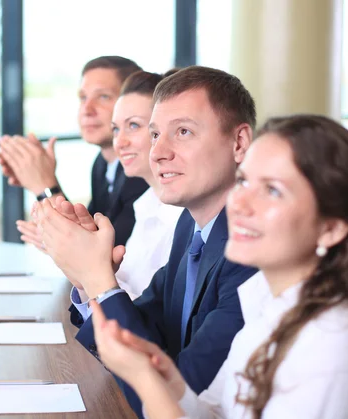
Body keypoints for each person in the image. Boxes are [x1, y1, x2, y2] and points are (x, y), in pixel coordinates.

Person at [90, 115, 348, 419]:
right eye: (244, 181)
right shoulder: (264, 294)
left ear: (331, 228)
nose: (239, 202)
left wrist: (144, 380)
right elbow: (218, 411)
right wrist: (168, 382)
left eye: (272, 190)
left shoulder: (333, 339)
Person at [36, 66, 259, 416]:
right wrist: (86, 279)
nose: (158, 153)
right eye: (155, 134)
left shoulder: (252, 252)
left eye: (183, 131)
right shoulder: (191, 224)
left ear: (239, 142)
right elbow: (150, 329)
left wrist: (100, 282)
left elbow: (176, 398)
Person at [0, 56, 148, 248]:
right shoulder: (102, 165)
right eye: (83, 97)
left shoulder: (140, 170)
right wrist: (35, 176)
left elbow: (108, 253)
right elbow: (90, 231)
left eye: (103, 97)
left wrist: (44, 185)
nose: (87, 109)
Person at [109, 70, 184, 299]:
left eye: (133, 126)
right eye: (115, 129)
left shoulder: (184, 218)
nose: (119, 142)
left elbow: (151, 315)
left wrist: (95, 276)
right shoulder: (147, 205)